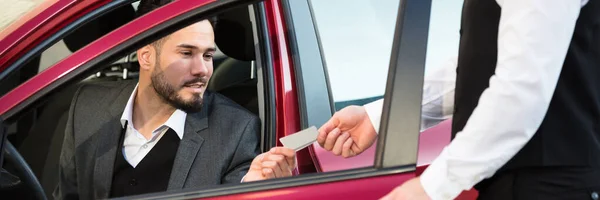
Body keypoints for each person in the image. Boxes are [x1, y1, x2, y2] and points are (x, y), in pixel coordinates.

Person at [320, 0, 600, 199]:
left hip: (550, 185)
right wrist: (380, 117)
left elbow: (520, 91)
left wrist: (428, 189)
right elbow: (482, 66)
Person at [54, 1, 295, 199]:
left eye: (208, 55)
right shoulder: (87, 105)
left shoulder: (235, 129)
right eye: (186, 53)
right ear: (146, 56)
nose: (203, 69)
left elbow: (241, 185)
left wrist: (249, 188)